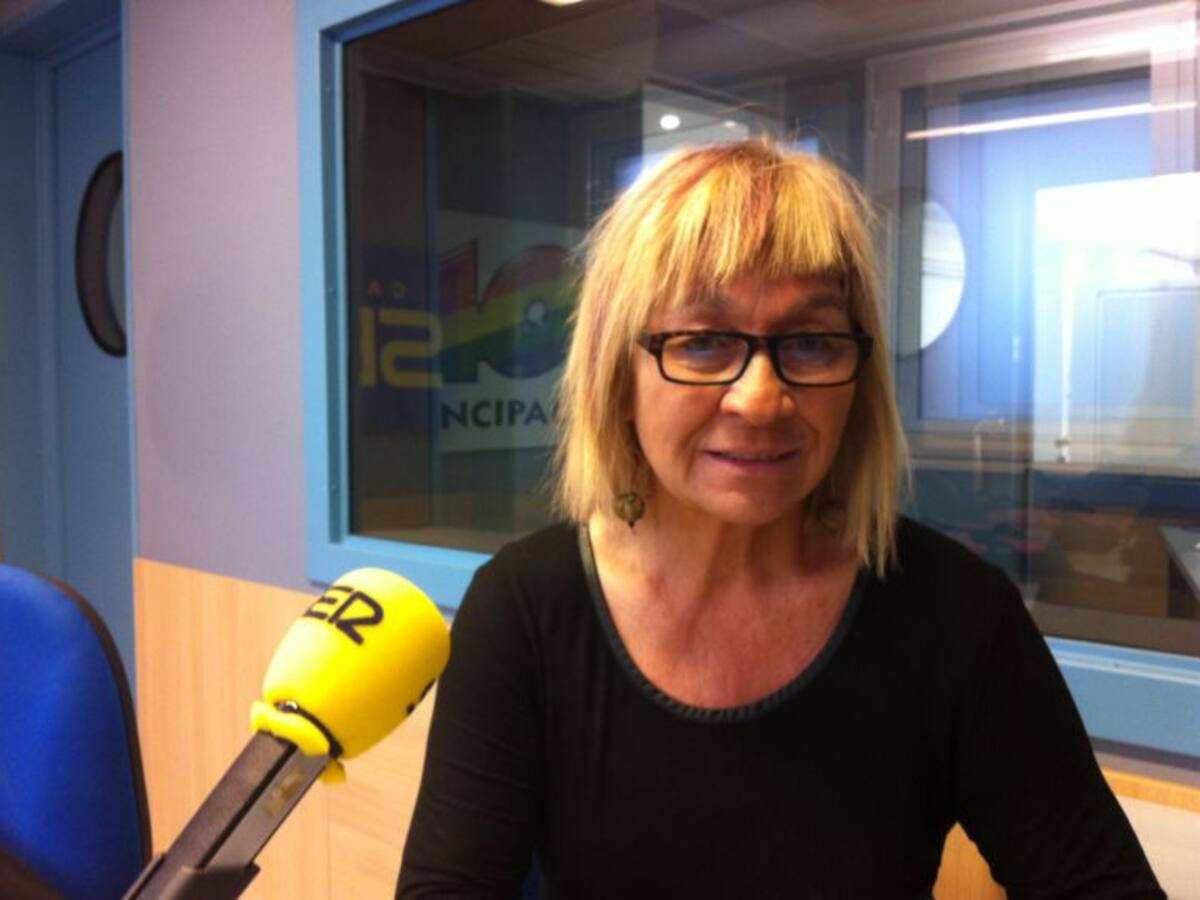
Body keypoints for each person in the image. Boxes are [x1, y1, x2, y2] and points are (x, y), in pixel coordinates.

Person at [397, 140, 1162, 898]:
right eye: (701, 342)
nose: (761, 399)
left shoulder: (958, 616)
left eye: (811, 342)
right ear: (617, 375)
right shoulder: (525, 608)